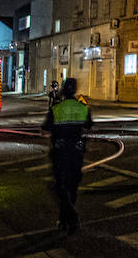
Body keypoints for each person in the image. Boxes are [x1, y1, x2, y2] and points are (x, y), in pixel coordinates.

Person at [41, 77, 92, 233]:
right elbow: (89, 124)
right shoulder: (82, 107)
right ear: (75, 90)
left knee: (60, 187)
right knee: (72, 187)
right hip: (76, 153)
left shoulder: (57, 108)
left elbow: (46, 126)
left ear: (63, 89)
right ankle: (65, 219)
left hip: (60, 152)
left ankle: (70, 216)